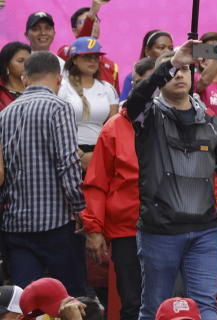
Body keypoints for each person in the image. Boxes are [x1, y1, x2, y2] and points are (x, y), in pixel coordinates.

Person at [125, 42, 217, 320]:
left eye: (185, 69)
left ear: (193, 76)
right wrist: (172, 63)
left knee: (206, 306)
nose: (180, 75)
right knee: (155, 309)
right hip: (159, 231)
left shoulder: (213, 122)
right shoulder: (147, 116)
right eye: (174, 71)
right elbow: (135, 100)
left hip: (205, 231)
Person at [0, 52, 86, 294]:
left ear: (25, 79)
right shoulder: (59, 107)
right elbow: (68, 163)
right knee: (71, 299)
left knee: (25, 302)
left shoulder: (4, 114)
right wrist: (80, 208)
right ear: (59, 80)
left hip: (16, 226)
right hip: (57, 225)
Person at [82, 84, 145, 320]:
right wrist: (94, 229)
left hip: (168, 227)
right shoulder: (114, 127)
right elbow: (97, 183)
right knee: (132, 303)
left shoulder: (169, 120)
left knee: (172, 300)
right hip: (126, 230)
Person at [59, 37, 119, 170]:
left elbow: (114, 127)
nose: (93, 61)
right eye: (87, 57)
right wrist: (80, 155)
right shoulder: (63, 87)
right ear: (74, 60)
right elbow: (56, 127)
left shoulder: (108, 89)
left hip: (101, 151)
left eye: (96, 57)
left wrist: (100, 154)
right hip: (70, 152)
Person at [55, 0, 120, 92]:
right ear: (74, 31)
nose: (93, 24)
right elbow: (82, 46)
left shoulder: (112, 67)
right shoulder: (65, 53)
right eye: (84, 22)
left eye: (96, 21)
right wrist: (92, 12)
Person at [120, 30, 173, 100]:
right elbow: (125, 105)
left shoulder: (176, 76)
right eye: (161, 47)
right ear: (147, 51)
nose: (167, 52)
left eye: (171, 48)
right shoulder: (132, 77)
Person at [0, 41, 30, 110]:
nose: (27, 64)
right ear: (6, 64)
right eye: (20, 61)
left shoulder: (38, 88)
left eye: (29, 61)